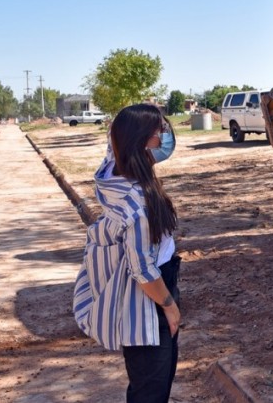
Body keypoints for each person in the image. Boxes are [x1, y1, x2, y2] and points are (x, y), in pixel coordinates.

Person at [72, 103, 181, 403]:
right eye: (159, 132)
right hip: (150, 298)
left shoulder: (113, 173)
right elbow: (143, 269)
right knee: (152, 390)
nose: (165, 138)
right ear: (142, 140)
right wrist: (169, 305)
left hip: (153, 291)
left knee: (147, 385)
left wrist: (120, 128)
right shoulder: (137, 202)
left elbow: (114, 143)